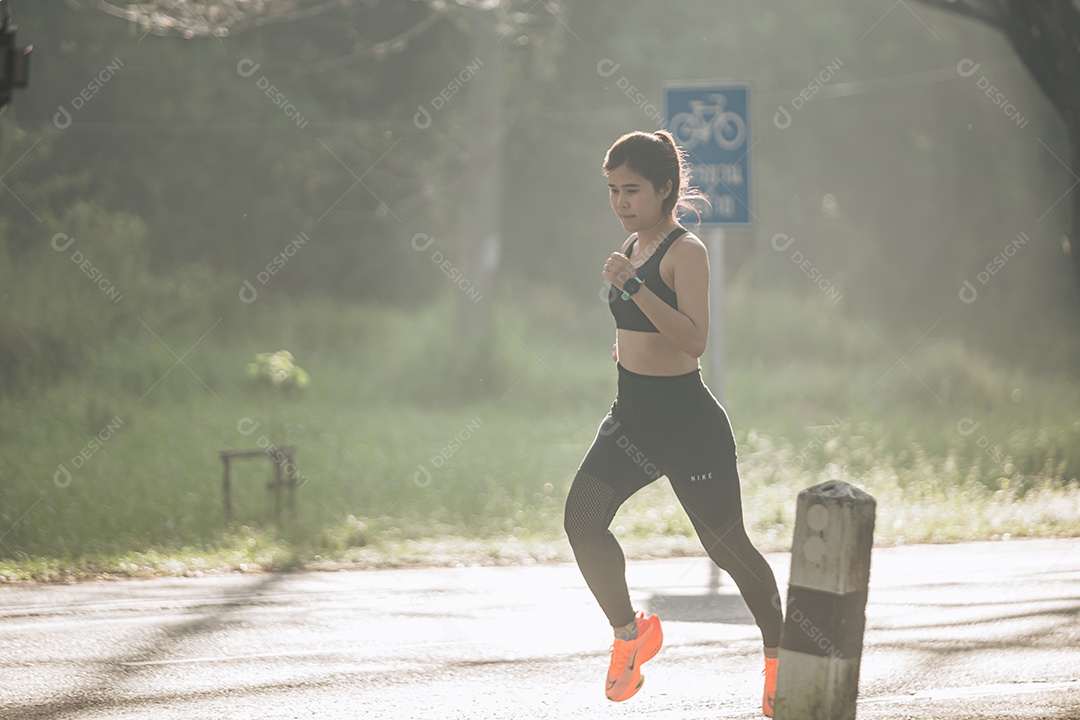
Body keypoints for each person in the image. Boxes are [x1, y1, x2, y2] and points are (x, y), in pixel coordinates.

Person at [563, 129, 782, 716]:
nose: (620, 202)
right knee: (582, 521)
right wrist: (625, 347)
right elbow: (637, 327)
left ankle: (781, 662)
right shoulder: (631, 247)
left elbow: (694, 340)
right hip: (630, 417)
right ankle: (631, 636)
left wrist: (633, 287)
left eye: (631, 190)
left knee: (726, 546)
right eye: (612, 190)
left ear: (665, 188)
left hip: (687, 423)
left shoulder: (687, 253)